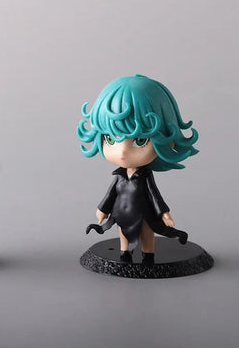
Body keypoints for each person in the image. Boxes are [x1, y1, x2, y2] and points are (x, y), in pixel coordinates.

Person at [77, 75, 198, 262]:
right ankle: (124, 252)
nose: (123, 152)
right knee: (123, 232)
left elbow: (154, 195)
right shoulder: (119, 176)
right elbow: (111, 194)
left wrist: (163, 213)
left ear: (167, 139)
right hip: (121, 213)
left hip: (145, 214)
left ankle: (148, 254)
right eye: (110, 138)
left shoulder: (145, 176)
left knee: (146, 232)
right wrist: (103, 210)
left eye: (140, 140)